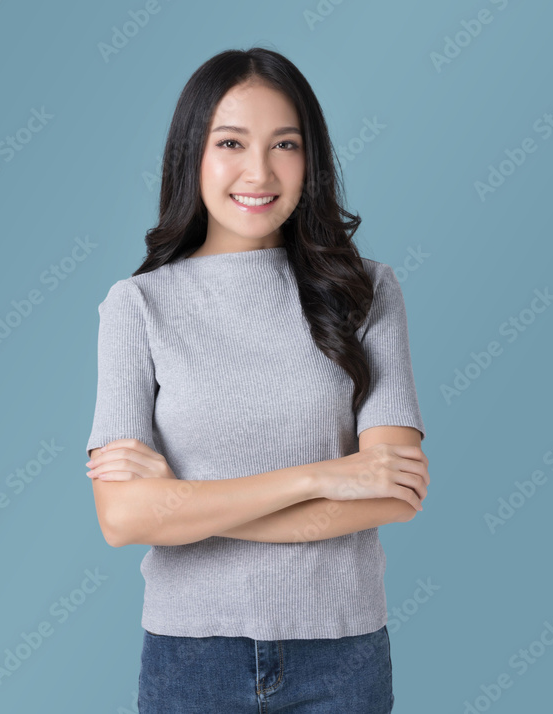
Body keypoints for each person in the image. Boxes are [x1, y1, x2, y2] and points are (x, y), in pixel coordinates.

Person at [85, 46, 429, 713]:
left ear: (312, 160)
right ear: (193, 156)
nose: (259, 171)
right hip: (191, 657)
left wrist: (185, 509)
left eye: (286, 144)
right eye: (231, 142)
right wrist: (320, 476)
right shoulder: (138, 307)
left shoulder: (368, 291)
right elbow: (123, 517)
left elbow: (395, 491)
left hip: (342, 652)